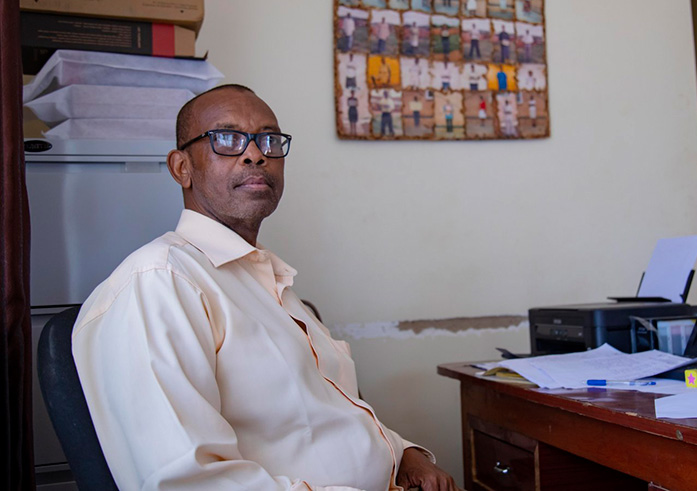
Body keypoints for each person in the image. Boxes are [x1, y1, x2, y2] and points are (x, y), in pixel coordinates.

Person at [71, 84, 458, 490]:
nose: (255, 154)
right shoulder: (161, 283)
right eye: (227, 138)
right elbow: (190, 483)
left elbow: (325, 415)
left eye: (269, 140)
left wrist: (403, 454)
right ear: (181, 167)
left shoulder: (272, 284)